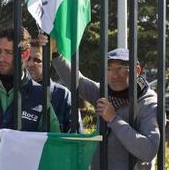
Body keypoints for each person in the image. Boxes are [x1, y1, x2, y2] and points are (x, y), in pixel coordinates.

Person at [39, 34, 159, 169]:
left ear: (137, 71)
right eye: (109, 69)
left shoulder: (148, 102)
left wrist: (113, 119)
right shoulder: (104, 92)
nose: (115, 75)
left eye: (121, 68)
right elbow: (79, 82)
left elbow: (149, 151)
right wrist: (55, 54)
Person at [25, 41, 82, 133]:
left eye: (37, 60)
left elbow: (75, 137)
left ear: (48, 63)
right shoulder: (16, 92)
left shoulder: (63, 95)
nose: (31, 64)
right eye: (28, 58)